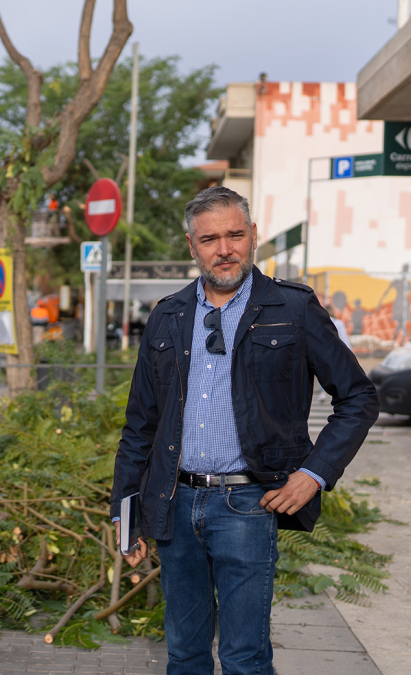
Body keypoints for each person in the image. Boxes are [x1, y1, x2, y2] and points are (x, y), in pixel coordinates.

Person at [110, 186, 377, 675]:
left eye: (235, 234)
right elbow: (139, 428)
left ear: (253, 237)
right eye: (210, 238)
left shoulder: (293, 309)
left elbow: (358, 398)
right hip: (174, 503)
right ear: (191, 246)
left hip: (249, 505)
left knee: (244, 658)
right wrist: (126, 519)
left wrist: (313, 474)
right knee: (184, 655)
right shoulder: (168, 316)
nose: (224, 249)